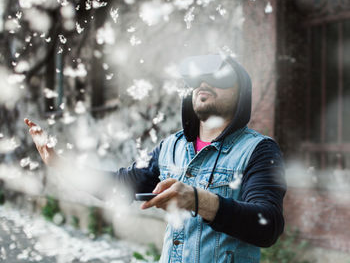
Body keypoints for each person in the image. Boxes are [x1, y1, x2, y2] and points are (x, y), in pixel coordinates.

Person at [25, 54, 286, 263]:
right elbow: (121, 185)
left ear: (242, 93)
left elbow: (267, 225)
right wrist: (60, 165)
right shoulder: (171, 146)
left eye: (219, 76)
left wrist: (199, 200)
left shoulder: (259, 150)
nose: (204, 83)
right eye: (198, 78)